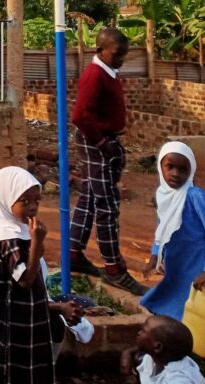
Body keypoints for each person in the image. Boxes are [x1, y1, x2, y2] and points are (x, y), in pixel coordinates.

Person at [139, 141, 205, 383]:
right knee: (171, 317)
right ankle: (169, 364)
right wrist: (155, 255)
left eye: (182, 169)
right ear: (160, 167)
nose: (175, 174)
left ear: (191, 170)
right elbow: (162, 229)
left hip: (201, 275)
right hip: (180, 274)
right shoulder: (164, 195)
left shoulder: (195, 197)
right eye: (170, 167)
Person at [0, 166, 80, 384]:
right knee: (9, 369)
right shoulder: (7, 239)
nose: (33, 207)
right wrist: (37, 243)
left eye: (36, 201)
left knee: (24, 368)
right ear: (6, 200)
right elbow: (25, 279)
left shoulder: (17, 232)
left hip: (24, 315)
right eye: (25, 201)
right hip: (9, 321)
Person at [67, 27, 146, 295]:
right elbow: (80, 116)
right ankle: (114, 269)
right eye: (116, 54)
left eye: (124, 55)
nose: (121, 59)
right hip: (97, 142)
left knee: (90, 197)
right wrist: (102, 143)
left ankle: (73, 253)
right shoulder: (95, 74)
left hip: (102, 140)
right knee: (106, 205)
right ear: (100, 50)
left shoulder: (108, 71)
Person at [120, 314, 205, 384]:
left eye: (143, 331)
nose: (139, 333)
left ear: (157, 347)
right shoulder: (158, 358)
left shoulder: (178, 380)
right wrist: (127, 352)